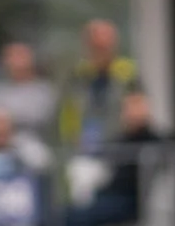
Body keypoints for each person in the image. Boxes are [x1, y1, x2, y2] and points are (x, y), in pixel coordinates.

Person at [64, 89, 161, 226]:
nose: (132, 112)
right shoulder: (120, 138)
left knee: (79, 217)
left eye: (137, 107)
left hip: (129, 201)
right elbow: (100, 158)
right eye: (129, 108)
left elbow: (165, 151)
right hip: (107, 196)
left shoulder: (152, 138)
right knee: (66, 216)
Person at [58, 20, 140, 157]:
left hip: (121, 148)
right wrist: (72, 138)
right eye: (98, 46)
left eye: (107, 45)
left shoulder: (127, 72)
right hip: (84, 150)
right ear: (88, 46)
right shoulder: (77, 75)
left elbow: (139, 109)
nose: (103, 51)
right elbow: (67, 112)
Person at [0, 42, 57, 142]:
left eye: (20, 55)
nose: (15, 61)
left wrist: (4, 120)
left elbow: (39, 118)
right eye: (11, 56)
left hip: (34, 146)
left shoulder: (44, 91)